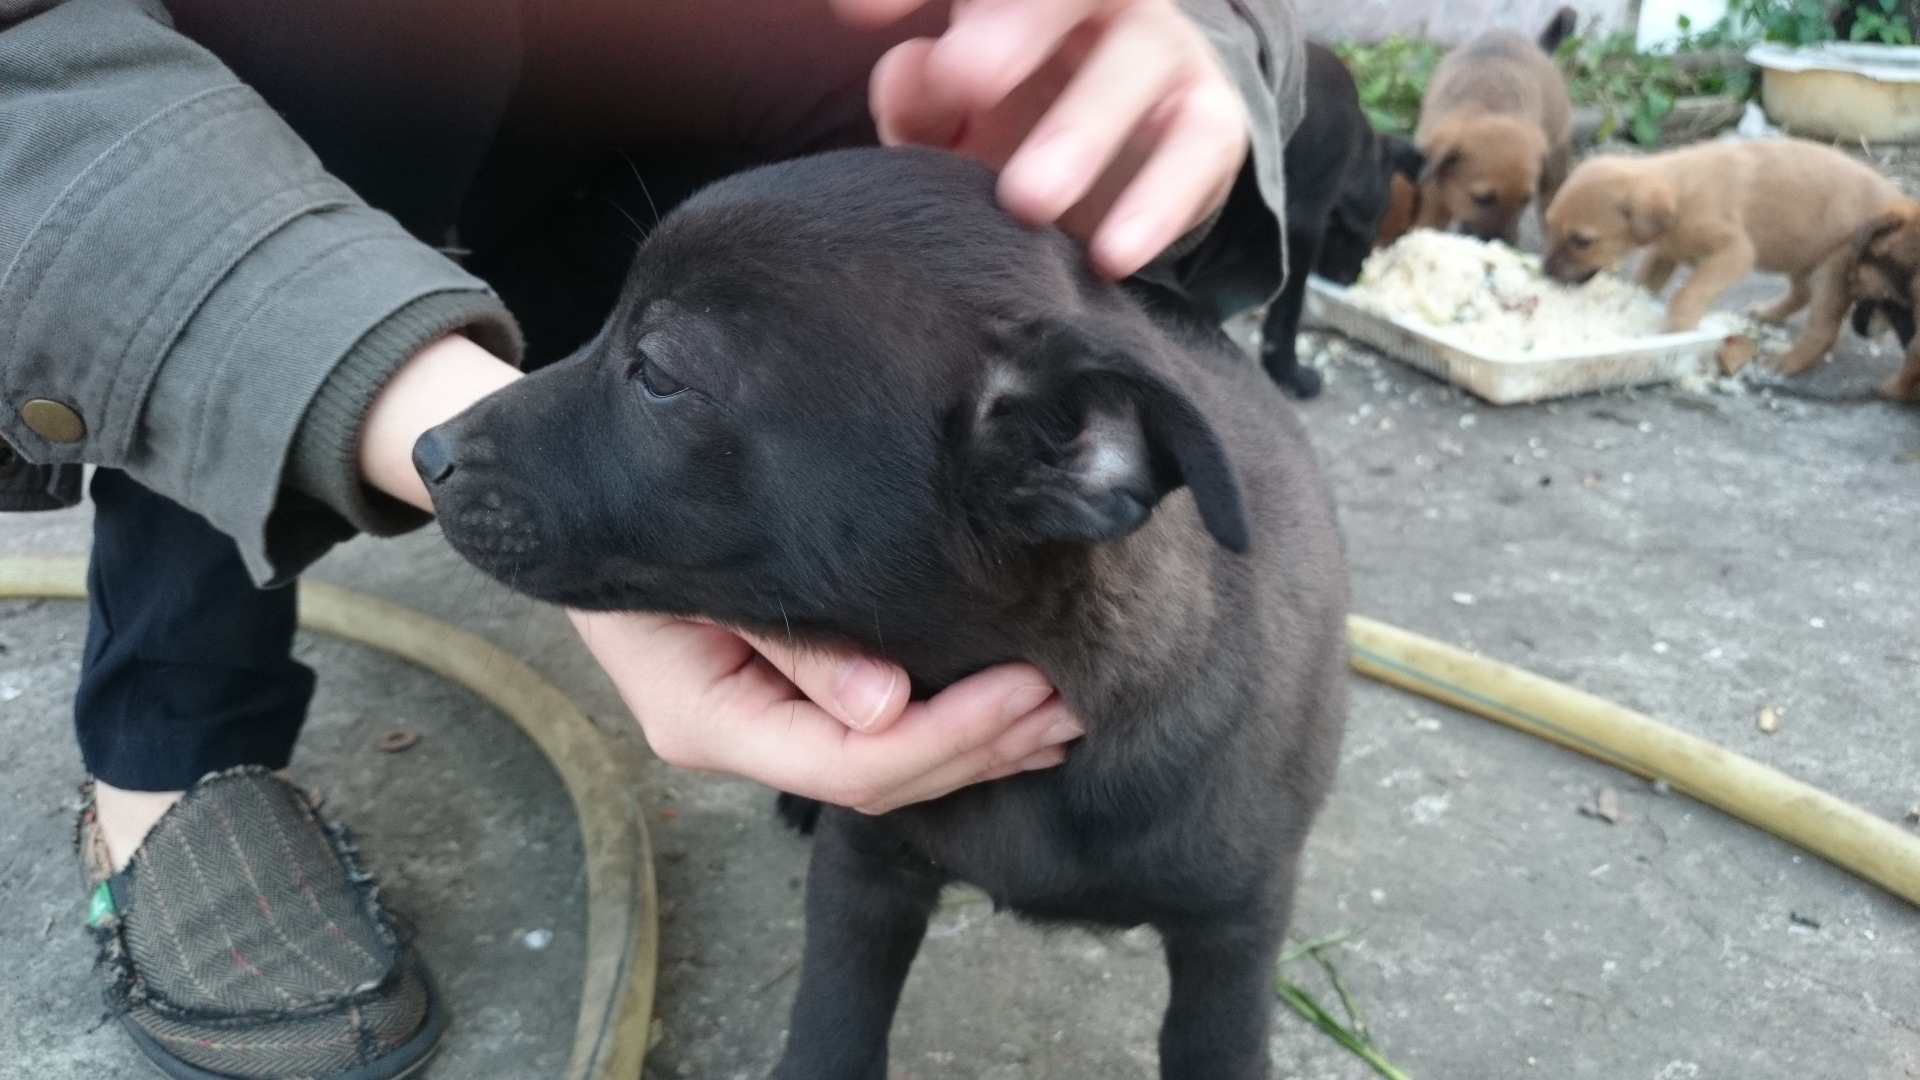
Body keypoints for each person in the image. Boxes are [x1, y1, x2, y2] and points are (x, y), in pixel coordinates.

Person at [0, 0, 1303, 1075]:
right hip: (287, 87)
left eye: (660, 377)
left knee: (915, 118)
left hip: (765, 70)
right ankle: (174, 745)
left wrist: (1191, 42)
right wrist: (377, 377)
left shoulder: (1204, 661)